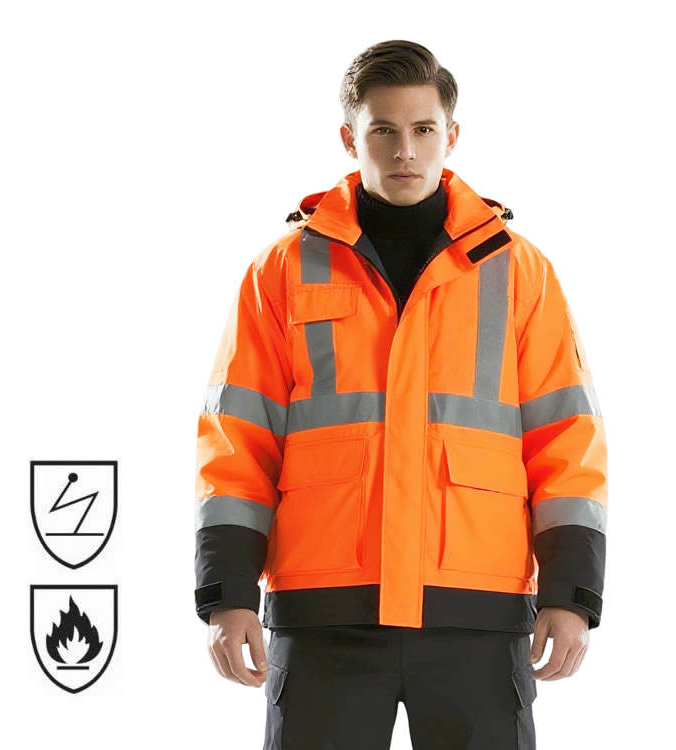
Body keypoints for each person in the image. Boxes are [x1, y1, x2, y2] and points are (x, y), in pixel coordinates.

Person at [193, 39, 607, 750]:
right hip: (325, 614)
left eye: (423, 129)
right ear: (350, 137)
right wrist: (227, 594)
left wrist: (571, 594)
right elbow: (237, 442)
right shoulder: (282, 271)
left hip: (476, 613)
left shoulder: (518, 271)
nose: (404, 150)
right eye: (383, 129)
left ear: (452, 134)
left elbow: (566, 440)